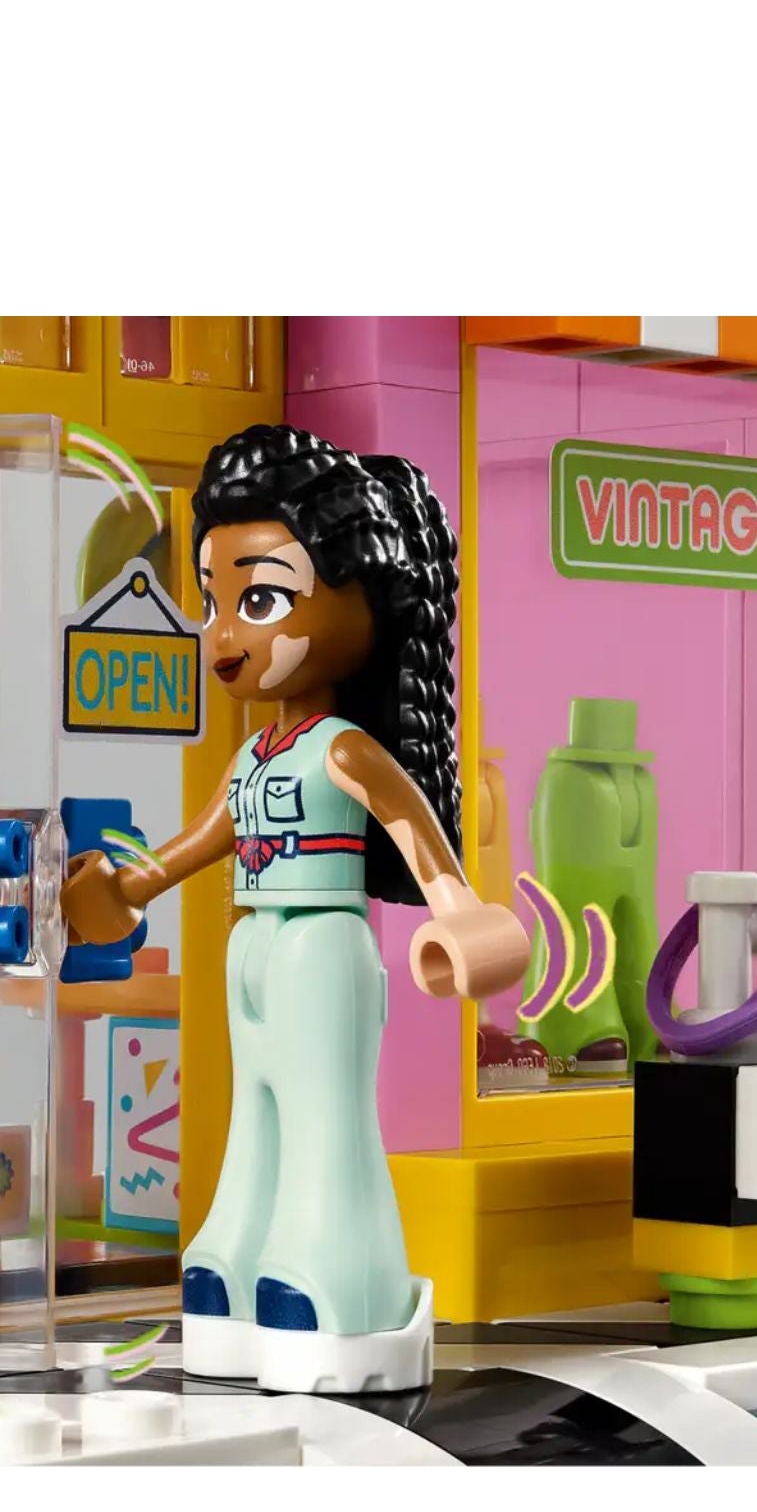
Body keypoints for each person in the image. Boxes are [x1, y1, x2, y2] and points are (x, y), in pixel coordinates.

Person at [62, 426, 526, 1389]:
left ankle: (335, 1277)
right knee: (257, 1112)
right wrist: (128, 887)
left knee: (325, 1115)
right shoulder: (255, 756)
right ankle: (238, 1253)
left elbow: (415, 828)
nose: (225, 636)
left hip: (320, 945)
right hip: (255, 947)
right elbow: (202, 840)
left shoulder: (344, 748)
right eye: (213, 603)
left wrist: (456, 911)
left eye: (261, 600)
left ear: (364, 601)